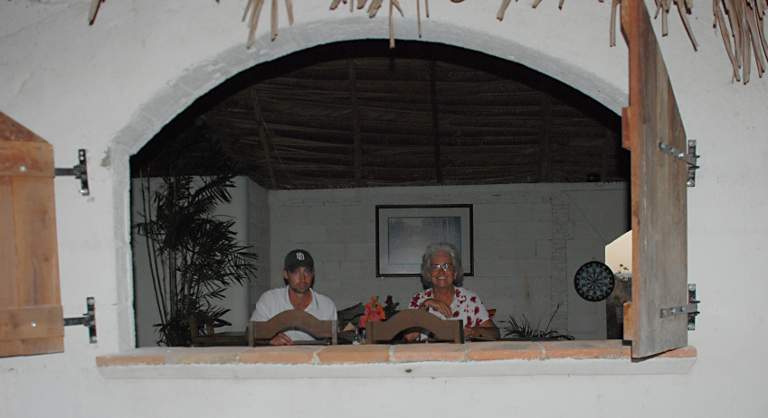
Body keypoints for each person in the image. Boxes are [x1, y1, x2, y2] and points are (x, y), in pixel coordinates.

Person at [406, 242, 498, 341]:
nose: (441, 272)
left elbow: (495, 334)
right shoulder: (419, 300)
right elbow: (409, 337)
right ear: (428, 273)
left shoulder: (470, 299)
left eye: (446, 266)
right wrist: (425, 305)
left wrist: (472, 331)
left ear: (455, 272)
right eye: (435, 267)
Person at [250, 249, 338, 345]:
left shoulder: (327, 305)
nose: (302, 278)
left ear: (313, 274)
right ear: (285, 274)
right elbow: (250, 333)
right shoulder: (269, 300)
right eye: (295, 272)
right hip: (278, 354)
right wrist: (269, 340)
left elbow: (334, 343)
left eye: (307, 272)